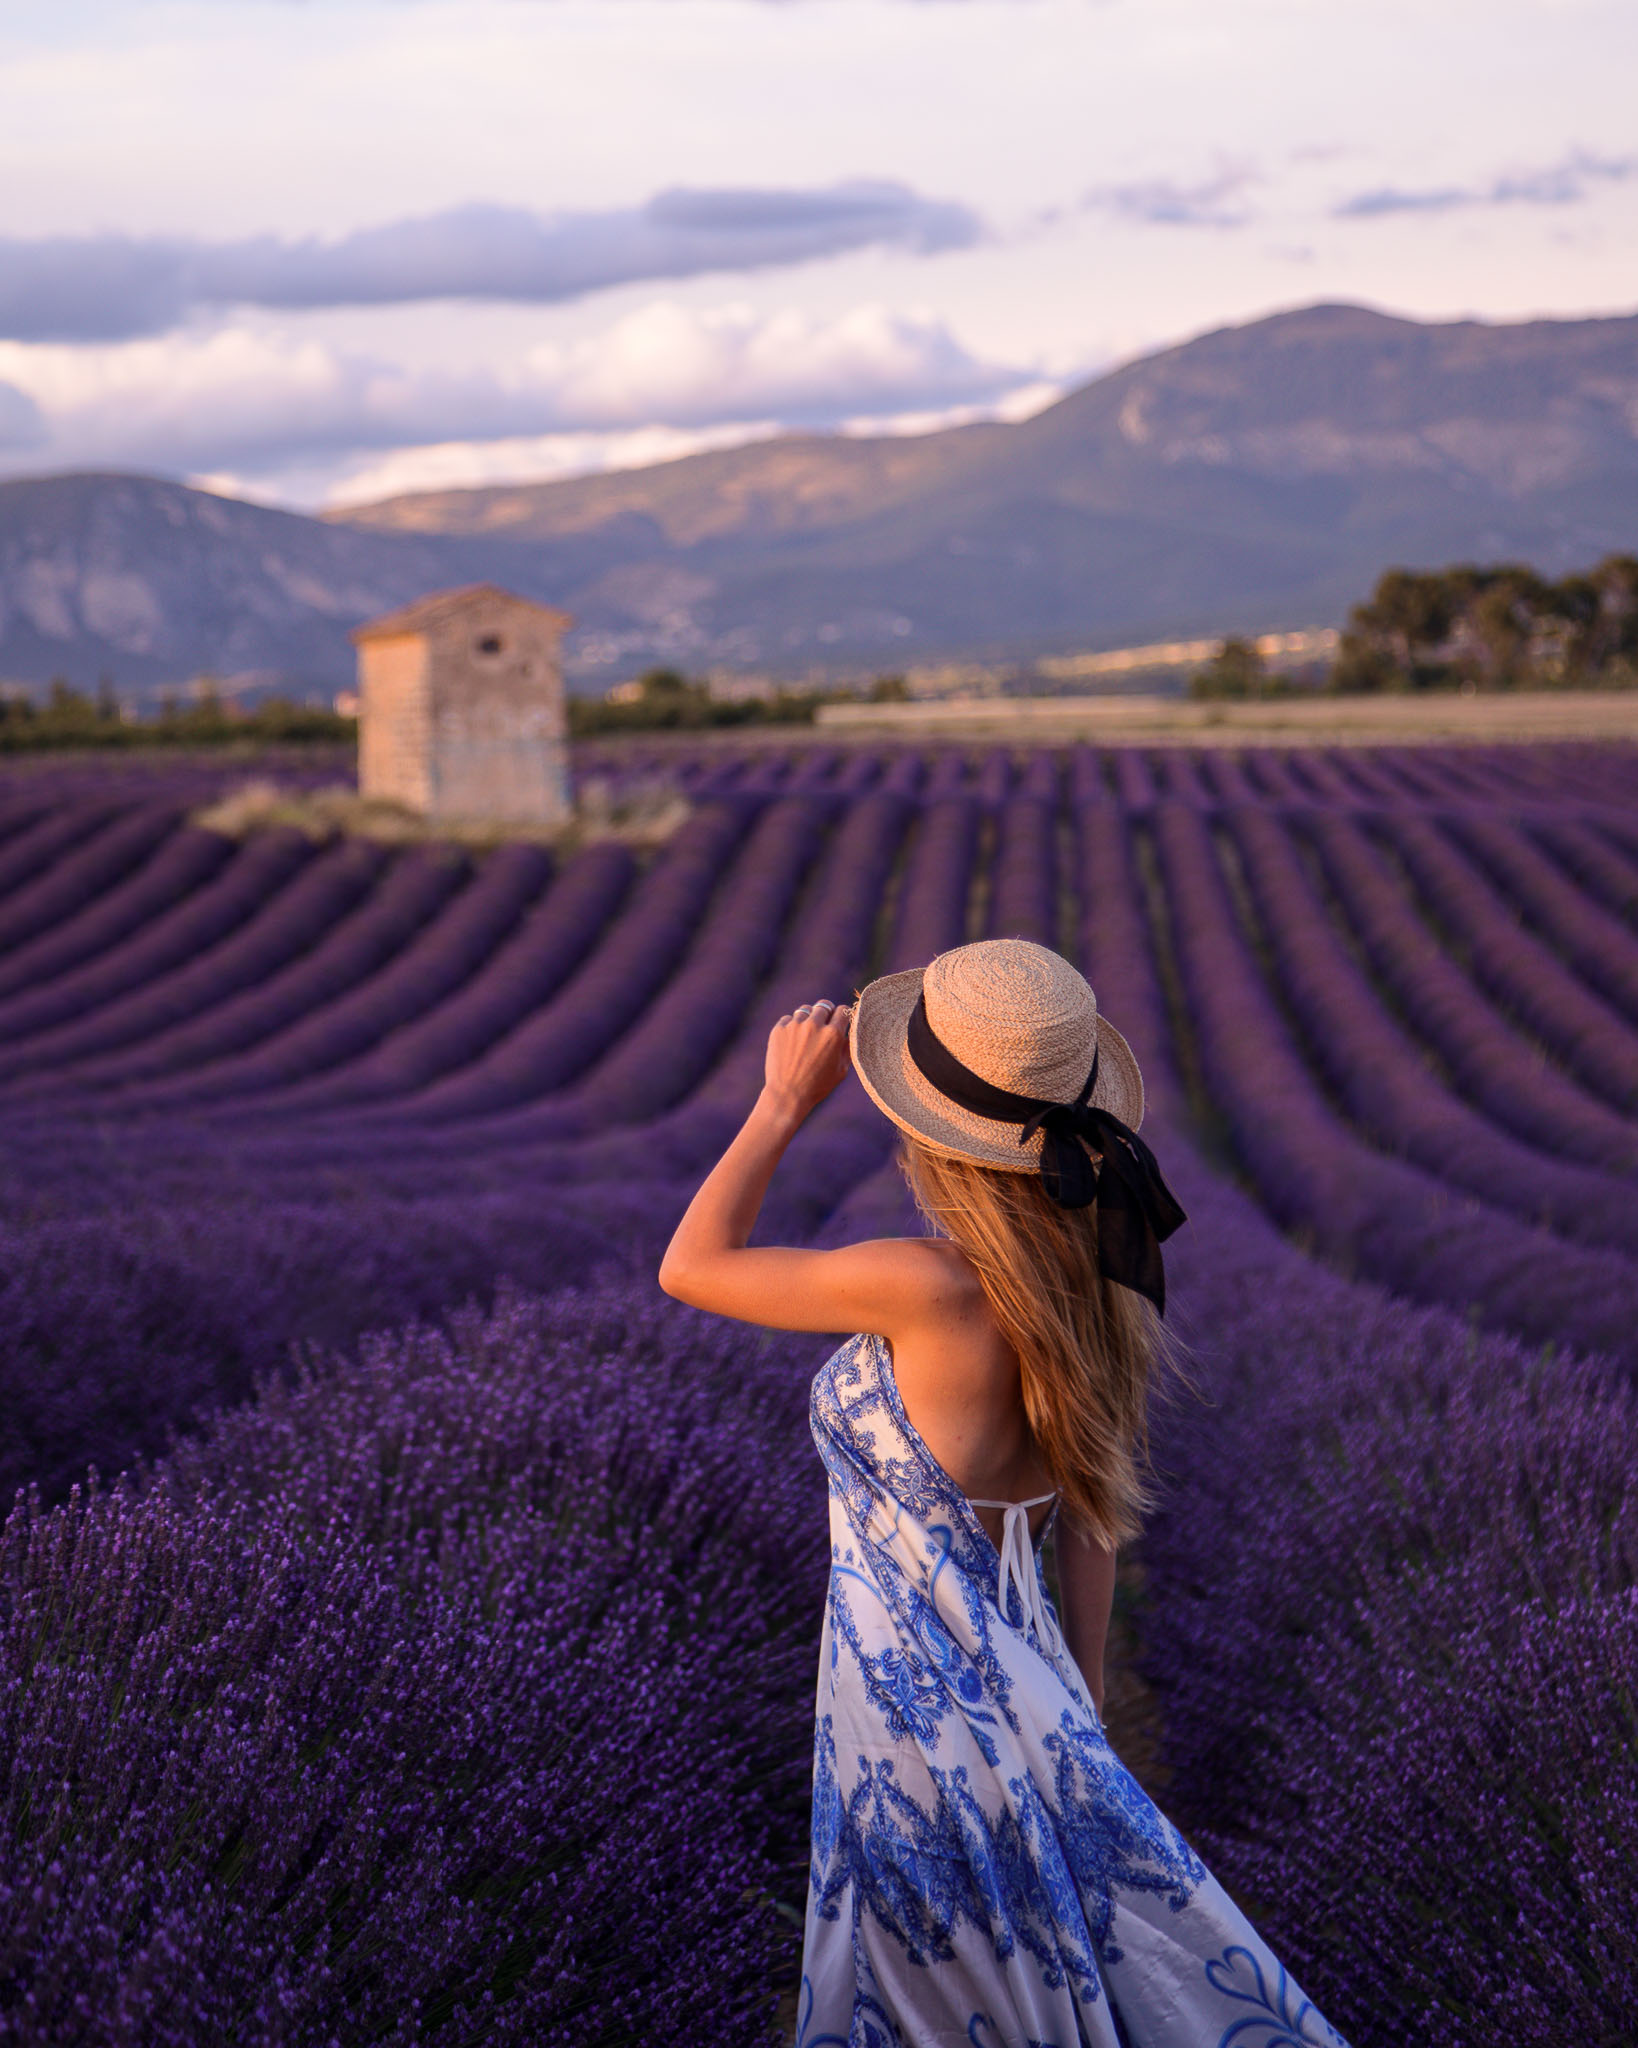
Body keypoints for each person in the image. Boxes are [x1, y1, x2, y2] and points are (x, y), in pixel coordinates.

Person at [660, 938, 1348, 2048]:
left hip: (907, 1714)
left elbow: (689, 1264)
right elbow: (1091, 1522)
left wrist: (782, 1103)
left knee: (932, 1997)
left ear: (933, 1131)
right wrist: (1079, 1719)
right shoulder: (1096, 1297)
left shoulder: (922, 1283)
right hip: (1023, 1688)